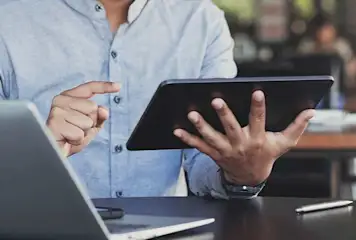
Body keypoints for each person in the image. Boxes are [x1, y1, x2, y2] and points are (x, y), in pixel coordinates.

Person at [0, 0, 314, 199]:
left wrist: (242, 173)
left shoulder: (202, 21)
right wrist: (32, 152)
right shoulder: (8, 20)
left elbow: (204, 161)